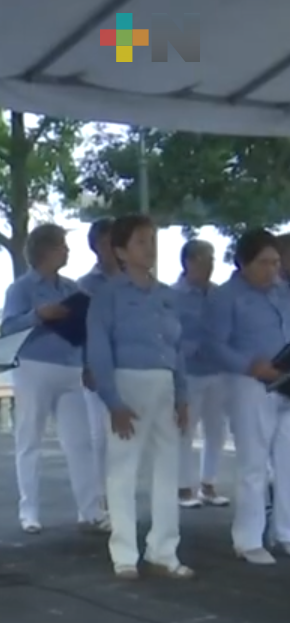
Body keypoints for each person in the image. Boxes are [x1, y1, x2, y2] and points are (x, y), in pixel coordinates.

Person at [85, 214, 191, 581]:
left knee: (167, 468)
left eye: (153, 240)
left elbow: (178, 350)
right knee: (123, 469)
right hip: (126, 381)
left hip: (164, 384)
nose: (150, 248)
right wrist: (111, 400)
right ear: (121, 251)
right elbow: (98, 350)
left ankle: (164, 549)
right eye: (141, 242)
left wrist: (183, 394)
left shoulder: (166, 296)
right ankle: (124, 553)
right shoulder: (108, 295)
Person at [0, 223, 104, 533]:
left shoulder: (73, 289)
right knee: (29, 439)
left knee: (80, 442)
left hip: (71, 368)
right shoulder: (21, 289)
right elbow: (7, 329)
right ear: (45, 250)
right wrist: (38, 315)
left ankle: (90, 509)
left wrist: (88, 364)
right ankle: (29, 511)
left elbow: (86, 330)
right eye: (62, 245)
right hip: (33, 366)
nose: (67, 251)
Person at [205, 229, 290, 565]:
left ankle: (285, 531)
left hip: (286, 382)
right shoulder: (226, 297)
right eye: (264, 263)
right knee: (253, 464)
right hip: (249, 384)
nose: (271, 269)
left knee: (287, 461)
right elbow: (212, 344)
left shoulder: (282, 292)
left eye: (275, 262)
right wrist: (249, 365)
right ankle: (249, 537)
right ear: (244, 262)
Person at [172, 239, 230, 509]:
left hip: (218, 371)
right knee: (185, 429)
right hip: (189, 372)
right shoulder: (173, 296)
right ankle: (183, 487)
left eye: (212, 260)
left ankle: (209, 484)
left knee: (217, 430)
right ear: (188, 262)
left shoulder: (218, 294)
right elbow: (169, 335)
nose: (210, 266)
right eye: (205, 260)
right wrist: (193, 348)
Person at [76, 218, 120, 532]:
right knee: (98, 437)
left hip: (129, 366)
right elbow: (82, 332)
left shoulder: (136, 280)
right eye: (106, 242)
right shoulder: (86, 285)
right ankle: (98, 500)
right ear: (95, 246)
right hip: (98, 366)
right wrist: (86, 365)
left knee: (123, 436)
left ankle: (118, 498)